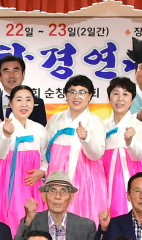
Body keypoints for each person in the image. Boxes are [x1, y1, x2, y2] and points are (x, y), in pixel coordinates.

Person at [0, 84, 51, 239]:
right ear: (10, 104)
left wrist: (42, 171)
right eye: (19, 100)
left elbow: (46, 158)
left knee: (34, 224)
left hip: (33, 185)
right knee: (10, 224)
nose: (24, 104)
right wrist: (5, 135)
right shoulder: (2, 127)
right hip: (8, 185)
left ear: (34, 104)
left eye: (28, 100)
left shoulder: (39, 129)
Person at [43, 75, 107, 221]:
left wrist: (86, 138)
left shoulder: (95, 122)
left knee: (82, 219)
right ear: (66, 95)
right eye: (72, 92)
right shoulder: (55, 119)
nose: (76, 96)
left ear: (90, 96)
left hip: (86, 180)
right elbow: (45, 150)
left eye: (82, 92)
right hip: (57, 177)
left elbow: (96, 155)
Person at [99, 76, 142, 216]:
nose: (120, 99)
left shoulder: (138, 126)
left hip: (127, 181)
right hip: (103, 180)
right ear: (109, 98)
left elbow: (139, 155)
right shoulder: (101, 125)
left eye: (125, 94)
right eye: (116, 93)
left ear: (132, 100)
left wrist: (130, 142)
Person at [0, 54, 46, 125]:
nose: (11, 76)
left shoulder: (37, 103)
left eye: (16, 70)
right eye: (6, 71)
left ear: (23, 74)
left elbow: (42, 129)